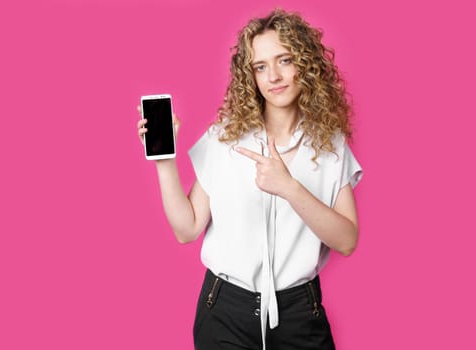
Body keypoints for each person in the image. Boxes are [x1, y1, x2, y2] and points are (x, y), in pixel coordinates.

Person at [137, 8, 362, 350]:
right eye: (260, 66)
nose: (273, 75)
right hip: (225, 310)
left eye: (284, 60)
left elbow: (346, 240)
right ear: (250, 75)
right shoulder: (225, 137)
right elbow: (187, 229)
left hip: (300, 312)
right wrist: (165, 162)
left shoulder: (329, 145)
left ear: (306, 64)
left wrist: (289, 187)